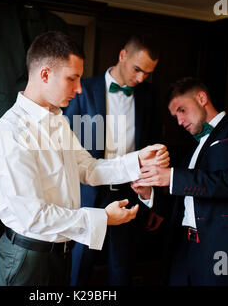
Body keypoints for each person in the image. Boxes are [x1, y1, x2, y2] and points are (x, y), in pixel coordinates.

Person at [0, 31, 169, 286]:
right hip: (28, 260)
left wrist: (138, 160)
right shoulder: (12, 132)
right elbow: (33, 216)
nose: (80, 88)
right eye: (72, 79)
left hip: (61, 254)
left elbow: (89, 168)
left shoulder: (58, 121)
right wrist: (102, 218)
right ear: (45, 74)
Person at [131, 77, 228, 285]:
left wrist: (172, 176)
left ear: (201, 98)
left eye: (181, 110)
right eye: (174, 116)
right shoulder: (191, 153)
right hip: (184, 248)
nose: (179, 121)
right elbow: (182, 205)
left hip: (222, 247)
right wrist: (147, 193)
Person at [63, 34, 163, 286]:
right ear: (122, 56)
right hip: (88, 190)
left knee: (122, 266)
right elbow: (66, 143)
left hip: (129, 190)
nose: (140, 78)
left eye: (147, 74)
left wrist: (155, 200)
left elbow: (154, 150)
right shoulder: (83, 89)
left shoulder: (149, 97)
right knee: (80, 264)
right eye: (137, 69)